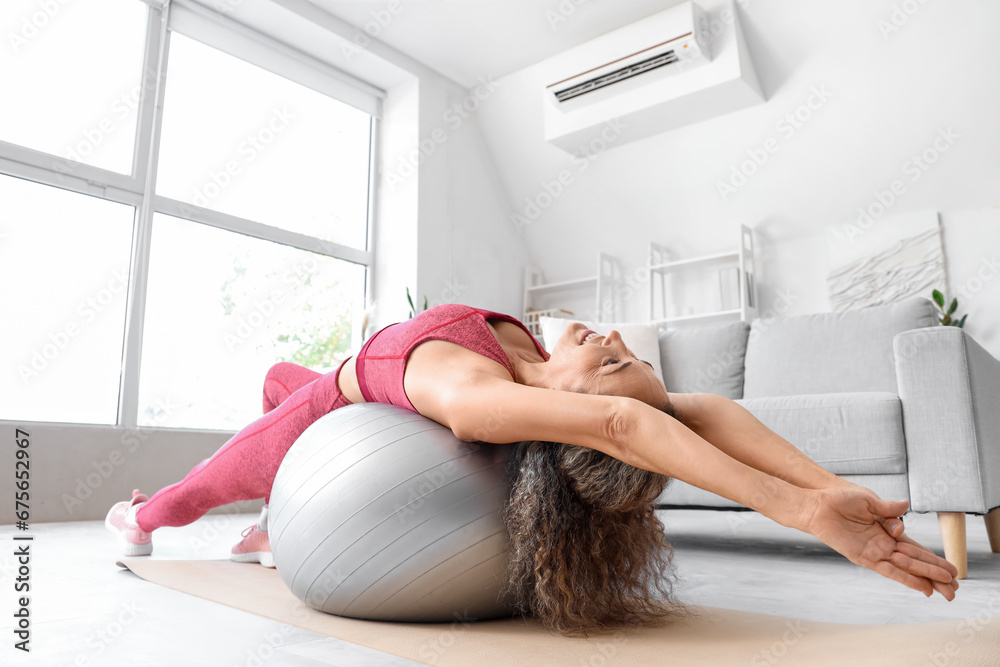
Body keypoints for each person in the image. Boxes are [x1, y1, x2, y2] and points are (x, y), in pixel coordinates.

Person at [106, 303, 959, 634]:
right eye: (626, 352)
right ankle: (272, 525)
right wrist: (825, 486)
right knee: (269, 383)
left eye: (615, 361)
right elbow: (706, 410)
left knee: (193, 492)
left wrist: (803, 514)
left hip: (330, 411)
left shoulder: (476, 397)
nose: (617, 340)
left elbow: (629, 421)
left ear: (586, 413)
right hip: (337, 388)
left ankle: (135, 518)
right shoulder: (533, 361)